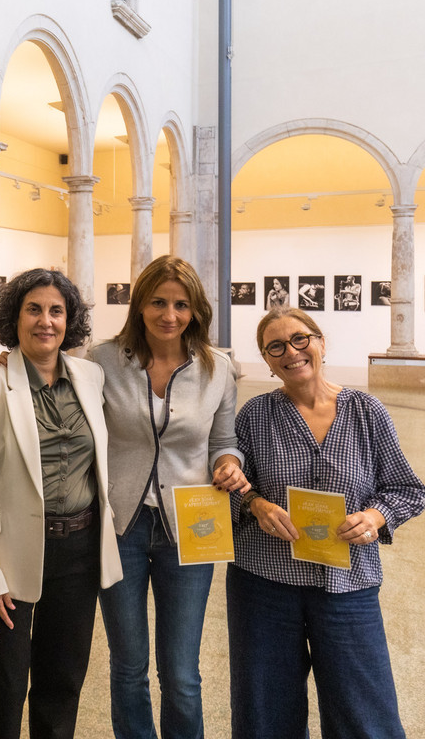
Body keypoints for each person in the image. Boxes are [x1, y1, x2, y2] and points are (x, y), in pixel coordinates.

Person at [227, 306, 425, 739]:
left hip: (348, 586)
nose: (291, 352)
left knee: (366, 714)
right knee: (264, 713)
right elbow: (233, 491)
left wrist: (374, 517)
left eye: (301, 339)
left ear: (320, 342)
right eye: (275, 346)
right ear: (266, 359)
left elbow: (407, 490)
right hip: (264, 586)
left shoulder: (366, 411)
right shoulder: (255, 416)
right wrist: (256, 504)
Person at [0, 268, 123, 739]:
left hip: (79, 550)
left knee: (63, 680)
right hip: (10, 557)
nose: (45, 321)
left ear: (70, 321)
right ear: (15, 318)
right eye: (34, 309)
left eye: (56, 311)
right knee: (3, 685)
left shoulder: (91, 376)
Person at [88, 256, 249, 739]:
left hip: (193, 527)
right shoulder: (101, 360)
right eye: (158, 302)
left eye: (181, 304)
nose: (169, 315)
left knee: (181, 674)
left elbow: (224, 440)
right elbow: (52, 384)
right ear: (139, 306)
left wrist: (229, 464)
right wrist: (4, 362)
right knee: (128, 665)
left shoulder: (217, 369)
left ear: (196, 310)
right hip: (121, 526)